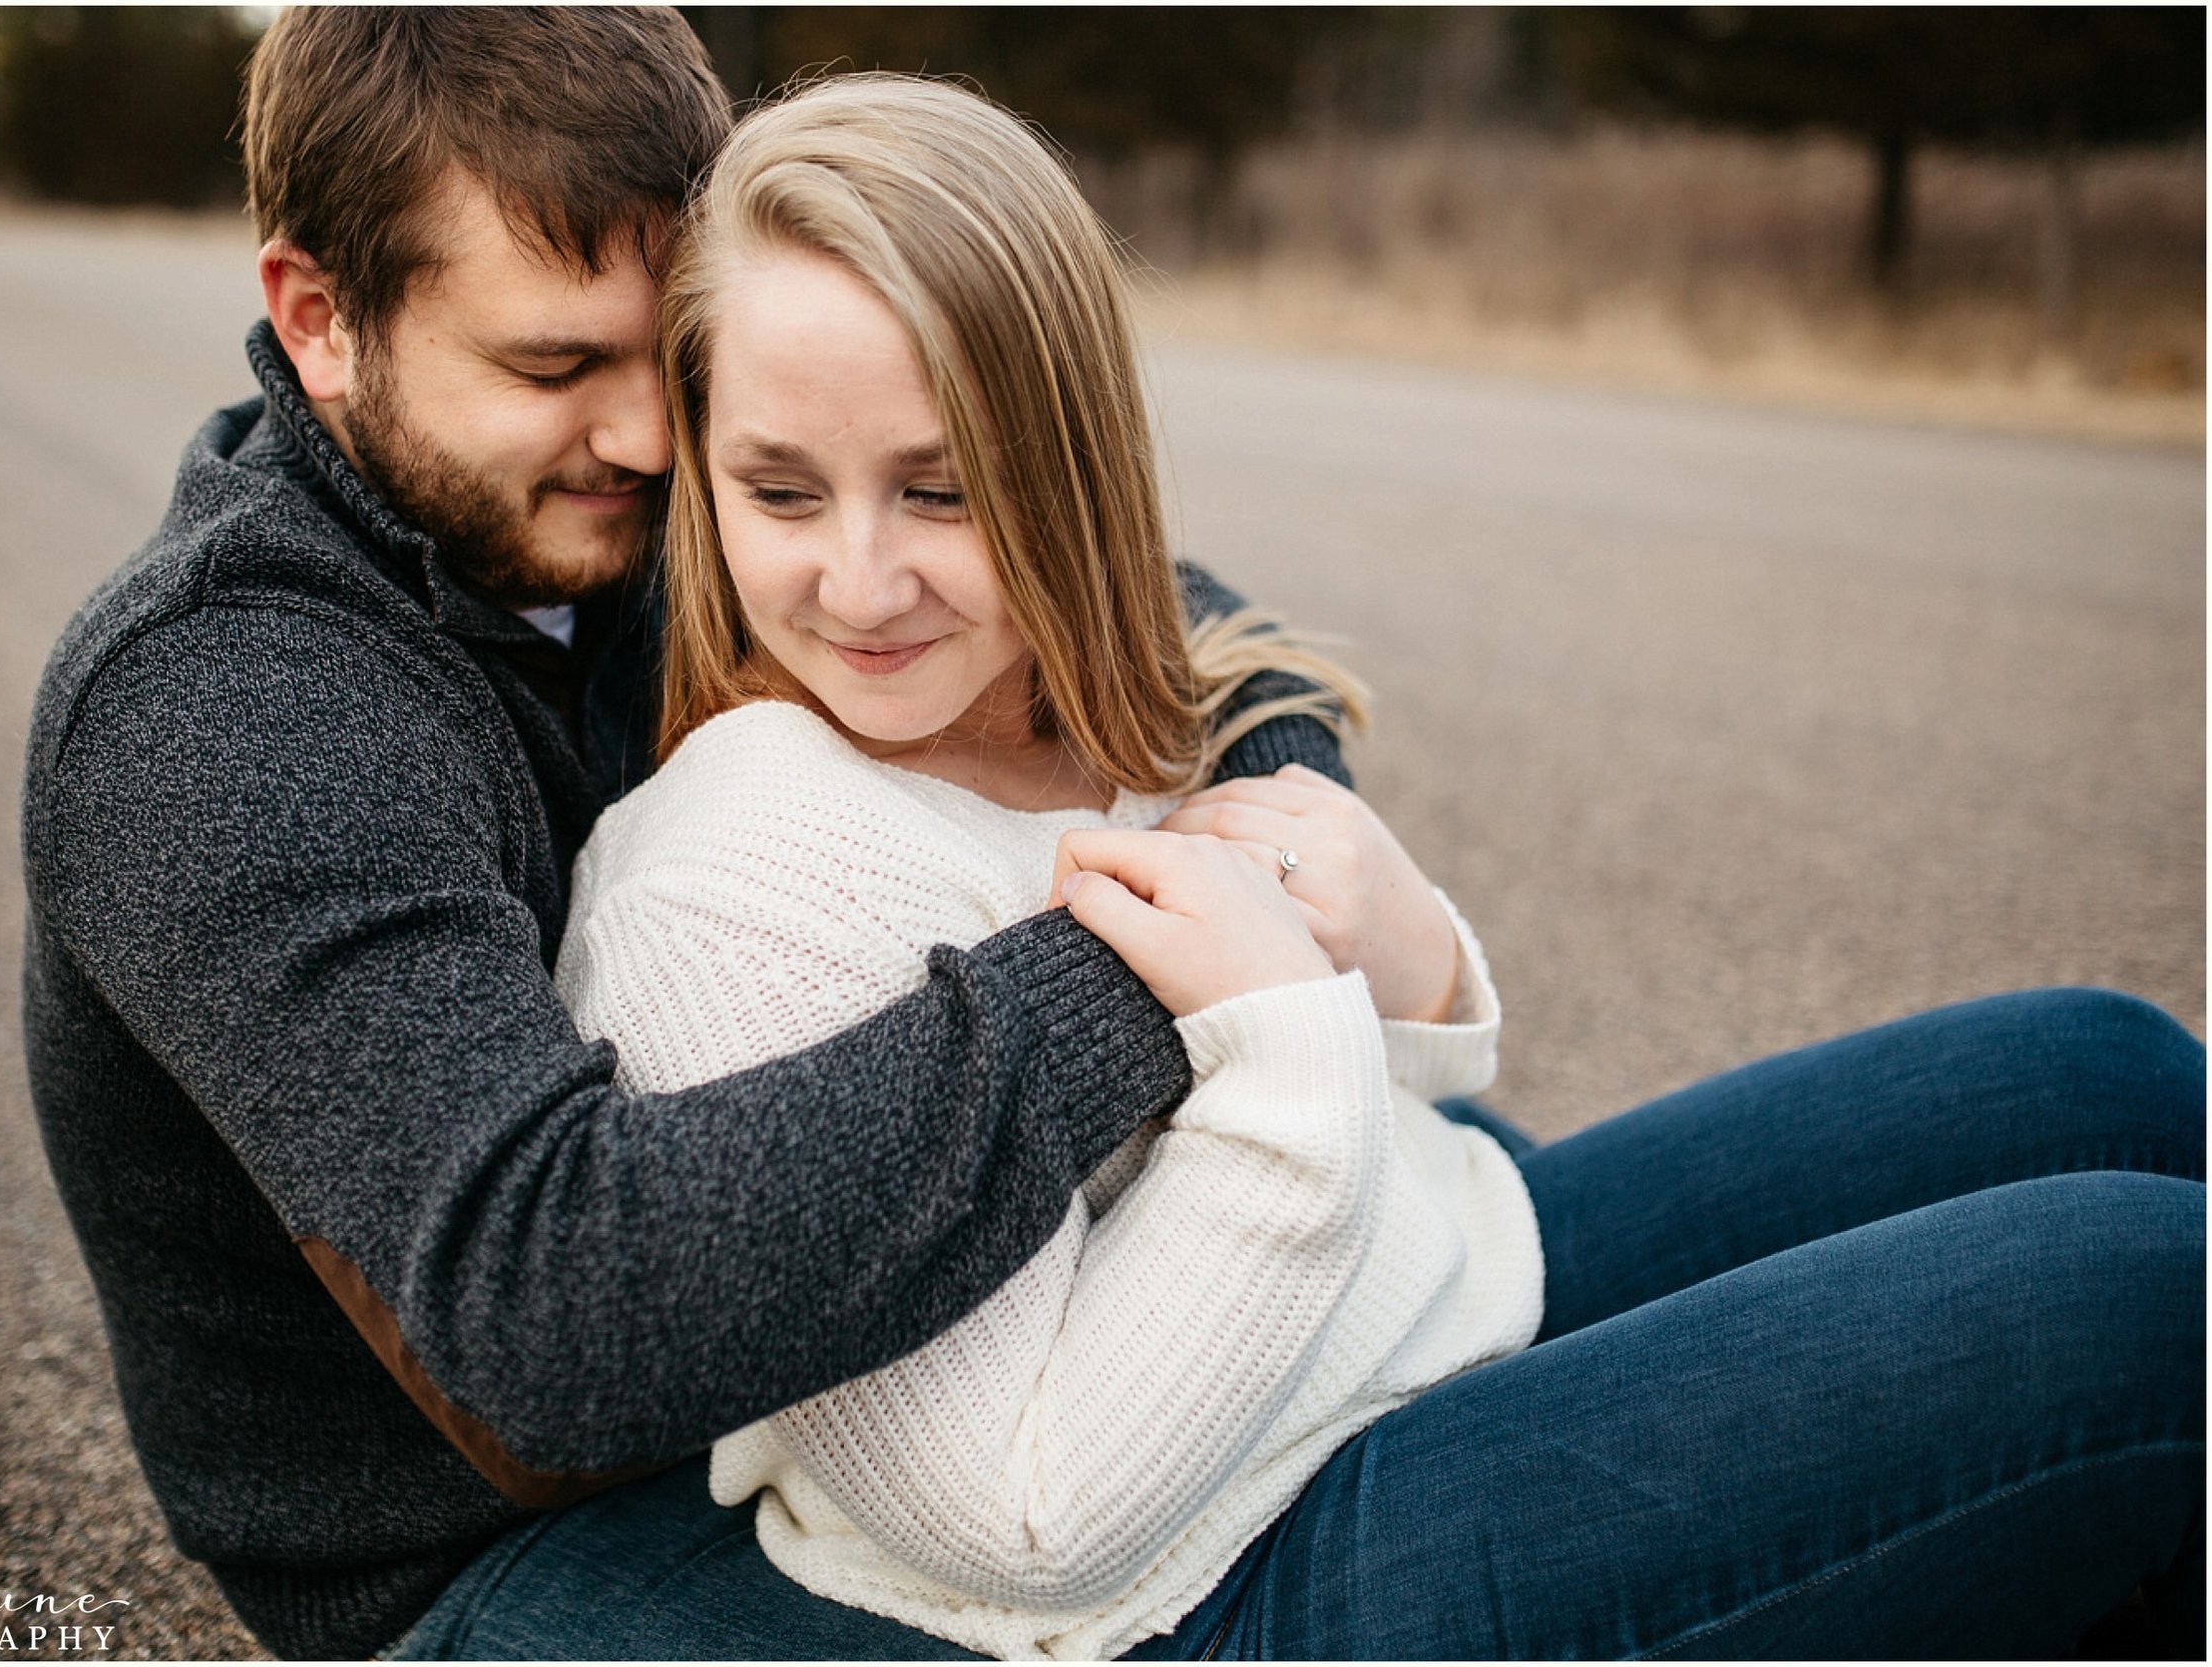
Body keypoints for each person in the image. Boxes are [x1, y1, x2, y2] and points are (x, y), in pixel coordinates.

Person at [386, 72, 2207, 1663]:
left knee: (2105, 1066)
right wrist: (1295, 1053)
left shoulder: (1067, 693)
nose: (860, 584)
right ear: (699, 469)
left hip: (1425, 1300)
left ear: (1069, 462)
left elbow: (1330, 1083)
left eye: (941, 491)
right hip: (1213, 1585)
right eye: (781, 493)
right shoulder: (735, 883)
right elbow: (1029, 1520)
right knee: (2146, 1307)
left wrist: (1407, 967)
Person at [16, 10, 1362, 1660]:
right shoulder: (222, 708)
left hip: (793, 1404)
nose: (652, 442)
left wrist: (1277, 829)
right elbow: (558, 1303)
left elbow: (1165, 614)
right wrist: (1166, 969)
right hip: (502, 1559)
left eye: (671, 359)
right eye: (553, 364)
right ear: (320, 320)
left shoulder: (639, 502)